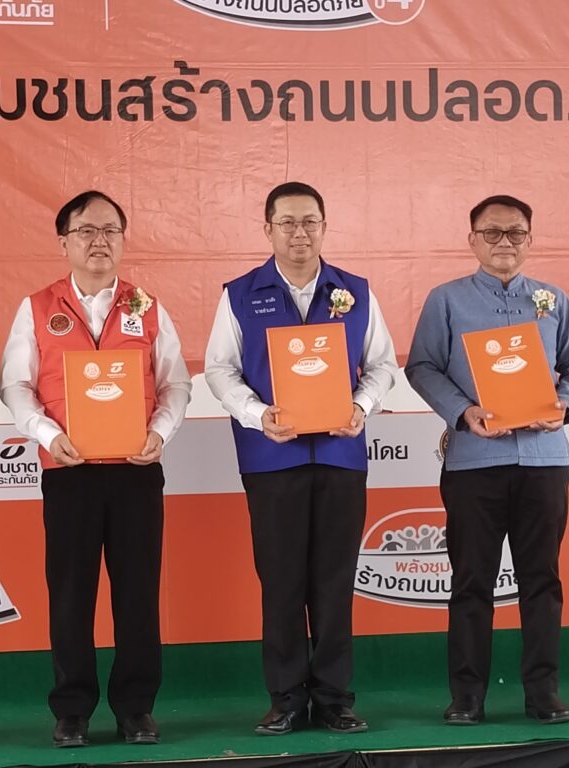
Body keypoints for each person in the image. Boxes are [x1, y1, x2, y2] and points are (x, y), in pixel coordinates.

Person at [0, 191, 191, 748]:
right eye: (85, 230)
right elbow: (15, 385)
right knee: (70, 594)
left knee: (137, 593)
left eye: (110, 230)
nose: (98, 241)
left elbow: (176, 382)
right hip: (69, 471)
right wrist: (48, 435)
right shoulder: (37, 307)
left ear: (123, 241)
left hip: (135, 470)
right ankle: (72, 711)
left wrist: (160, 433)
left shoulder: (147, 307)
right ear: (64, 242)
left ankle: (136, 708)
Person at [204, 181, 396, 735]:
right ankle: (286, 697)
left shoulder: (356, 291)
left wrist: (361, 406)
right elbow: (220, 369)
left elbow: (382, 364)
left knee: (335, 580)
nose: (299, 232)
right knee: (282, 581)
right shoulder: (240, 294)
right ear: (267, 229)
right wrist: (256, 413)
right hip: (272, 458)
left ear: (325, 227)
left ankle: (335, 698)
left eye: (310, 221)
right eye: (287, 222)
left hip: (341, 454)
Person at [405, 194, 569, 726]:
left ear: (530, 240)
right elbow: (421, 366)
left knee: (542, 580)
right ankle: (467, 696)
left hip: (544, 461)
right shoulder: (446, 301)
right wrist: (463, 412)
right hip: (474, 462)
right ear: (472, 240)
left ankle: (544, 693)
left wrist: (564, 407)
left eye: (515, 232)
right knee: (472, 582)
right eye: (491, 232)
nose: (503, 242)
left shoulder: (552, 300)